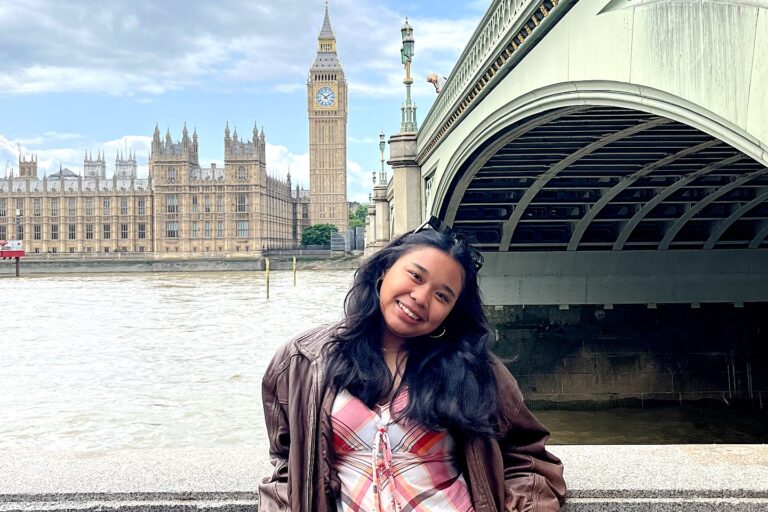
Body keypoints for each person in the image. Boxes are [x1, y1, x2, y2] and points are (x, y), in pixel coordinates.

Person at [259, 217, 566, 512]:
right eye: (416, 277)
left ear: (451, 312)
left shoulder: (475, 369)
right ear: (384, 269)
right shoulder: (302, 361)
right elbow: (287, 466)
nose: (421, 297)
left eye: (442, 296)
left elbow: (528, 458)